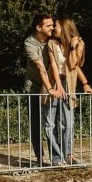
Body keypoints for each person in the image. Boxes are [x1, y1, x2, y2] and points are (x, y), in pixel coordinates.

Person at [53, 17, 92, 164]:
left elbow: (73, 65)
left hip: (68, 84)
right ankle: (58, 157)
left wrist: (85, 84)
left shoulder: (78, 44)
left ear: (65, 28)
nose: (54, 28)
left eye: (56, 26)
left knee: (68, 123)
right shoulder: (54, 43)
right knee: (53, 124)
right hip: (54, 83)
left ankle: (69, 155)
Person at [24, 14, 65, 166]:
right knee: (35, 124)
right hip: (34, 88)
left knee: (52, 123)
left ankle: (57, 157)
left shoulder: (53, 41)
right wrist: (48, 88)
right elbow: (40, 67)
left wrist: (76, 41)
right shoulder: (30, 42)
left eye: (52, 25)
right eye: (48, 25)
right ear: (38, 27)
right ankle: (40, 159)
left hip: (51, 87)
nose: (52, 28)